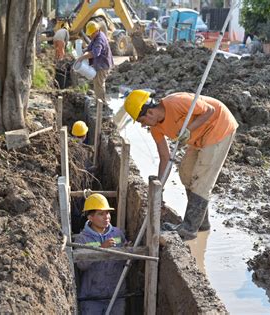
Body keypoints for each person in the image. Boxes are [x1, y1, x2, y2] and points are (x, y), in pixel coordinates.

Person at [123, 90, 238, 240]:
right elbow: (165, 157)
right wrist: (160, 189)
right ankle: (202, 224)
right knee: (186, 173)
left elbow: (210, 110)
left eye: (142, 121)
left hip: (219, 127)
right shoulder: (155, 128)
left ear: (150, 112)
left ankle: (189, 229)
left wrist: (189, 130)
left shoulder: (176, 102)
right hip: (198, 138)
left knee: (201, 181)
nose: (143, 125)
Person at [75, 193, 126, 314]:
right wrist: (101, 248)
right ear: (90, 217)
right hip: (92, 297)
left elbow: (127, 262)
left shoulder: (117, 234)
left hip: (117, 294)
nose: (106, 217)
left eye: (107, 213)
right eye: (101, 214)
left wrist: (127, 250)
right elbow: (81, 265)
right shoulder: (82, 239)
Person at [77, 21, 114, 105]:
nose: (90, 35)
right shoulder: (96, 37)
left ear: (96, 31)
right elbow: (90, 48)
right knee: (98, 83)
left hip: (103, 65)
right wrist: (83, 52)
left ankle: (101, 104)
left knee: (99, 84)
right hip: (100, 63)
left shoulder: (99, 39)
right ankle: (100, 101)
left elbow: (95, 53)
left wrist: (82, 57)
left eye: (91, 34)